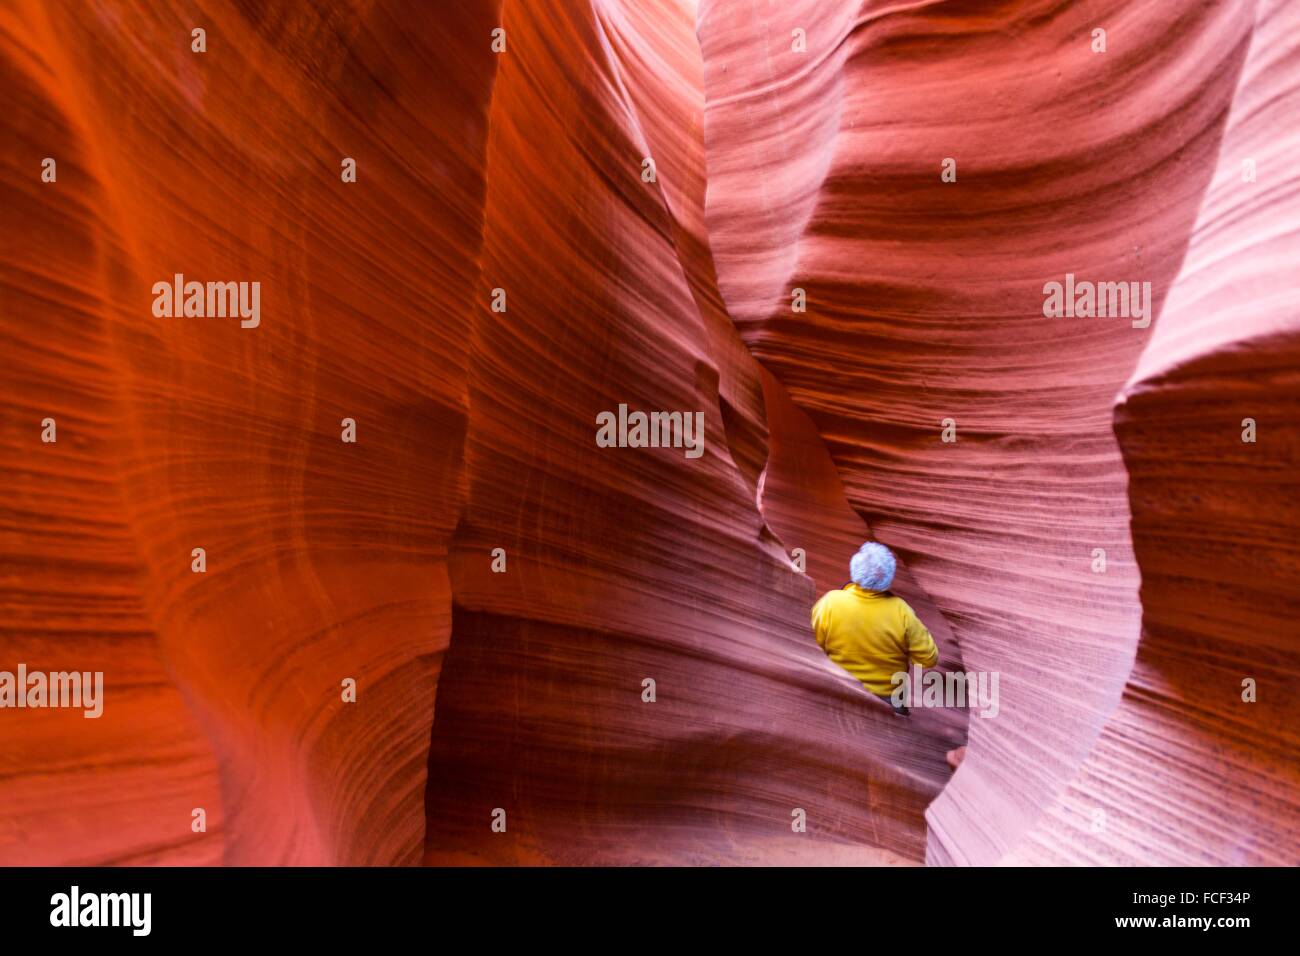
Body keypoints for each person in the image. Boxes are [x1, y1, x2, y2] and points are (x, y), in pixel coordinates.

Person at [810, 542, 938, 717]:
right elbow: (928, 659)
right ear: (889, 577)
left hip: (838, 692)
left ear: (855, 568)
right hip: (888, 701)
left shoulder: (830, 603)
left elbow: (810, 643)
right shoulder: (901, 611)